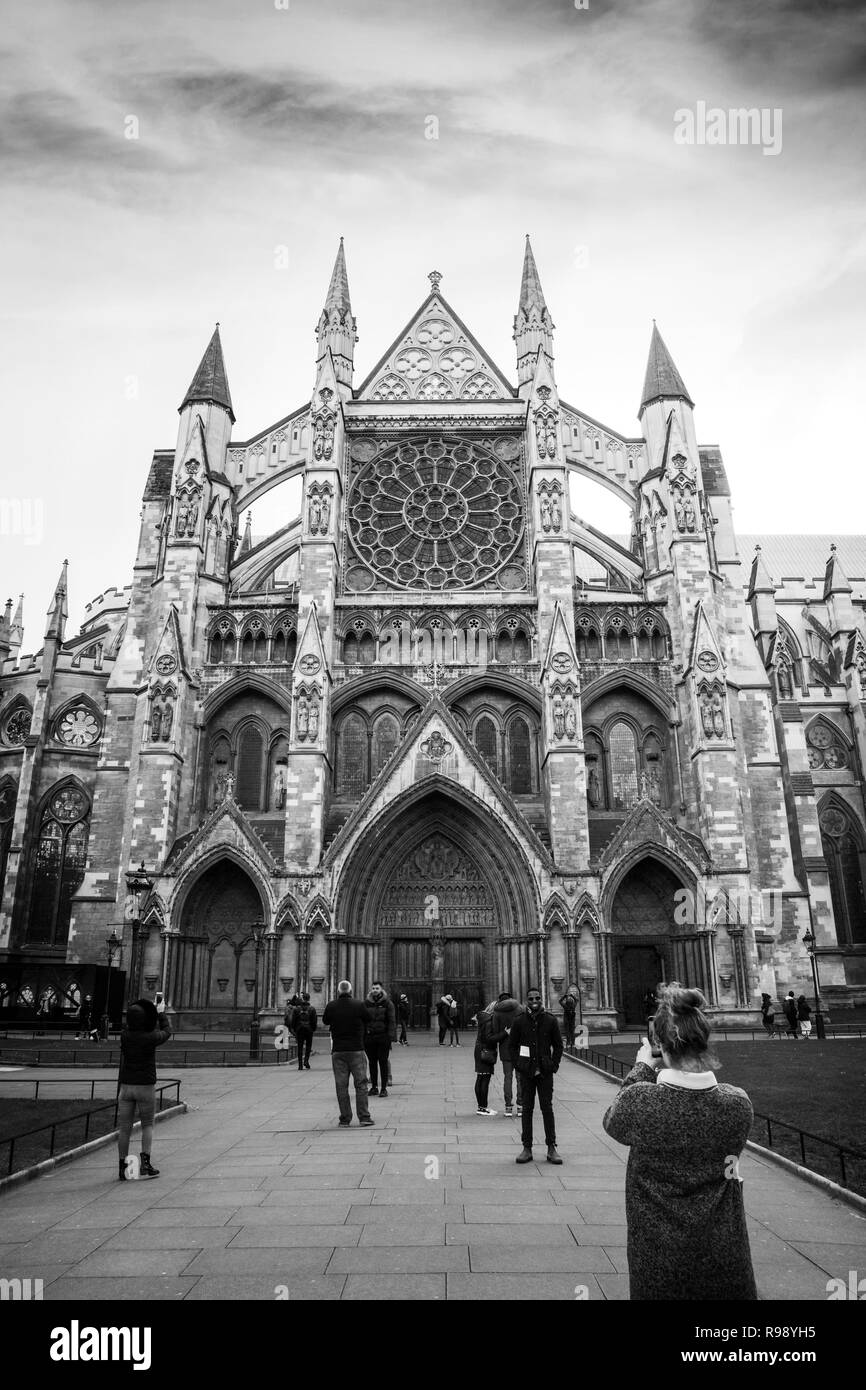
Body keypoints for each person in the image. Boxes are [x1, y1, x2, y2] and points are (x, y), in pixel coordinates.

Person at [602, 983, 757, 1301]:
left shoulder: (641, 1100)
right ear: (704, 1040)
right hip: (725, 1255)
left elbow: (614, 1121)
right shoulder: (738, 1104)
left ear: (659, 1042)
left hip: (660, 1258)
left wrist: (642, 1068)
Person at [116, 995, 172, 1180]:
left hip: (126, 1088)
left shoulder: (125, 1036)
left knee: (124, 1129)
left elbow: (131, 1025)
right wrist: (160, 1013)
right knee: (148, 1125)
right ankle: (145, 1164)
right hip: (145, 1086)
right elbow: (167, 1031)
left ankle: (122, 1167)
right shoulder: (150, 1038)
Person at [509, 987, 563, 1164]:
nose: (534, 1000)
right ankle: (526, 1148)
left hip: (545, 1073)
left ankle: (551, 1147)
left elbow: (558, 1046)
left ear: (542, 999)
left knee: (547, 1109)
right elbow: (512, 1046)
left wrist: (553, 1066)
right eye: (531, 998)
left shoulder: (550, 1020)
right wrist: (519, 1066)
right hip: (527, 1072)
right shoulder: (519, 1021)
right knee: (527, 1110)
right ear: (526, 1000)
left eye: (537, 997)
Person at [322, 980, 374, 1127]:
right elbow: (369, 1019)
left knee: (341, 1085)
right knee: (361, 1084)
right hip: (356, 1049)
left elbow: (325, 1021)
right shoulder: (358, 1005)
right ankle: (364, 1117)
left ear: (339, 991)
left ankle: (345, 1118)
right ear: (350, 991)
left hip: (338, 1050)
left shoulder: (331, 1006)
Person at [489, 989, 524, 1117]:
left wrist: (505, 1032)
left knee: (507, 1078)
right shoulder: (520, 1009)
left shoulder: (497, 1012)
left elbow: (495, 1031)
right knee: (520, 1079)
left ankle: (508, 1107)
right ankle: (520, 1107)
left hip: (506, 1049)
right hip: (520, 1048)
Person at [364, 981, 396, 1097]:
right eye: (373, 988)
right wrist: (363, 1036)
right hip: (370, 1037)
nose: (374, 990)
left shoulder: (388, 1003)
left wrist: (390, 1038)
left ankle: (383, 1088)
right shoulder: (366, 1003)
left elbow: (392, 1021)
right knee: (372, 1063)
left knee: (383, 1062)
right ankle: (373, 1087)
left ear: (381, 989)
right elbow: (363, 1020)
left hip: (383, 1037)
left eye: (377, 988)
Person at [473, 1003, 498, 1116]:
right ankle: (483, 1108)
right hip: (485, 1050)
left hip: (480, 1049)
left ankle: (481, 1107)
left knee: (480, 1077)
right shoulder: (489, 1021)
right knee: (484, 1079)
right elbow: (489, 1038)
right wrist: (505, 1033)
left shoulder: (484, 1018)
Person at [291, 992, 317, 1070]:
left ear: (302, 999)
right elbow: (314, 1020)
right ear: (308, 999)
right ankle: (306, 1061)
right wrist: (313, 1029)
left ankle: (300, 1065)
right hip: (309, 1029)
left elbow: (293, 1021)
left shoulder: (297, 1009)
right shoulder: (312, 1009)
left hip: (300, 1029)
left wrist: (295, 1029)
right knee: (308, 1046)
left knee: (300, 1046)